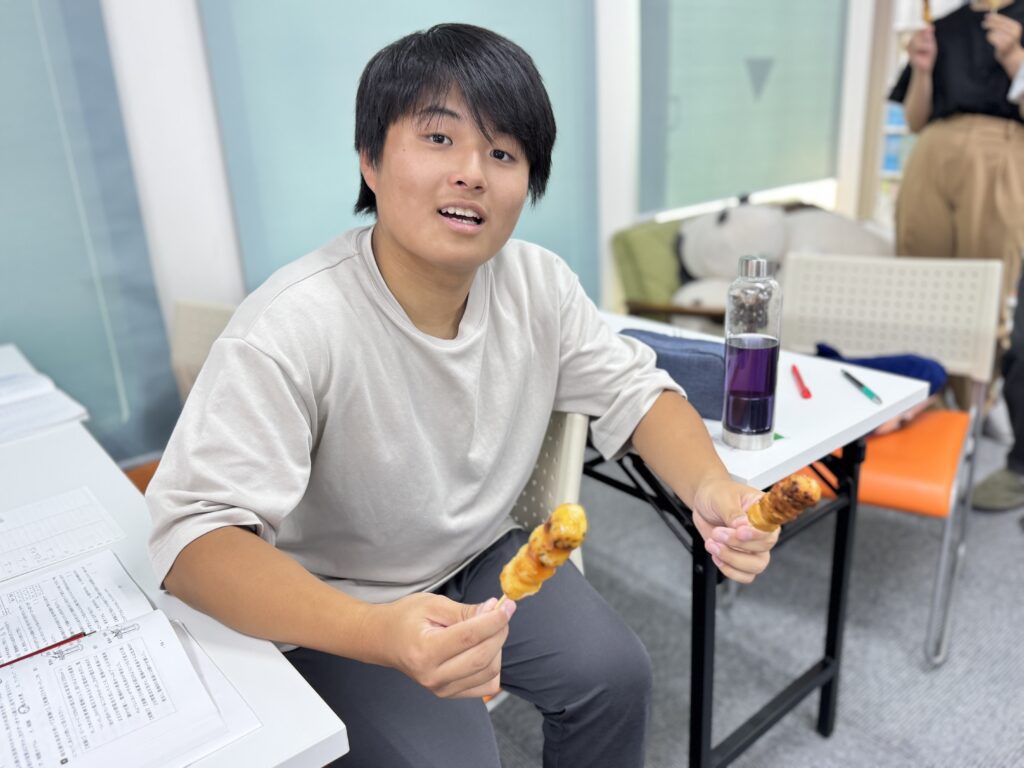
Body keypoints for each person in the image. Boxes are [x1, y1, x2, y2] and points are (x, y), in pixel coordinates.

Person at [146, 24, 778, 768]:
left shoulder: (540, 285)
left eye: (503, 153)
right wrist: (375, 631)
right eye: (439, 139)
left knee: (615, 675)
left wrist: (710, 486)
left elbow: (637, 391)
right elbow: (194, 541)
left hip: (480, 554)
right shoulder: (293, 325)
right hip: (340, 596)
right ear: (370, 159)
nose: (472, 173)